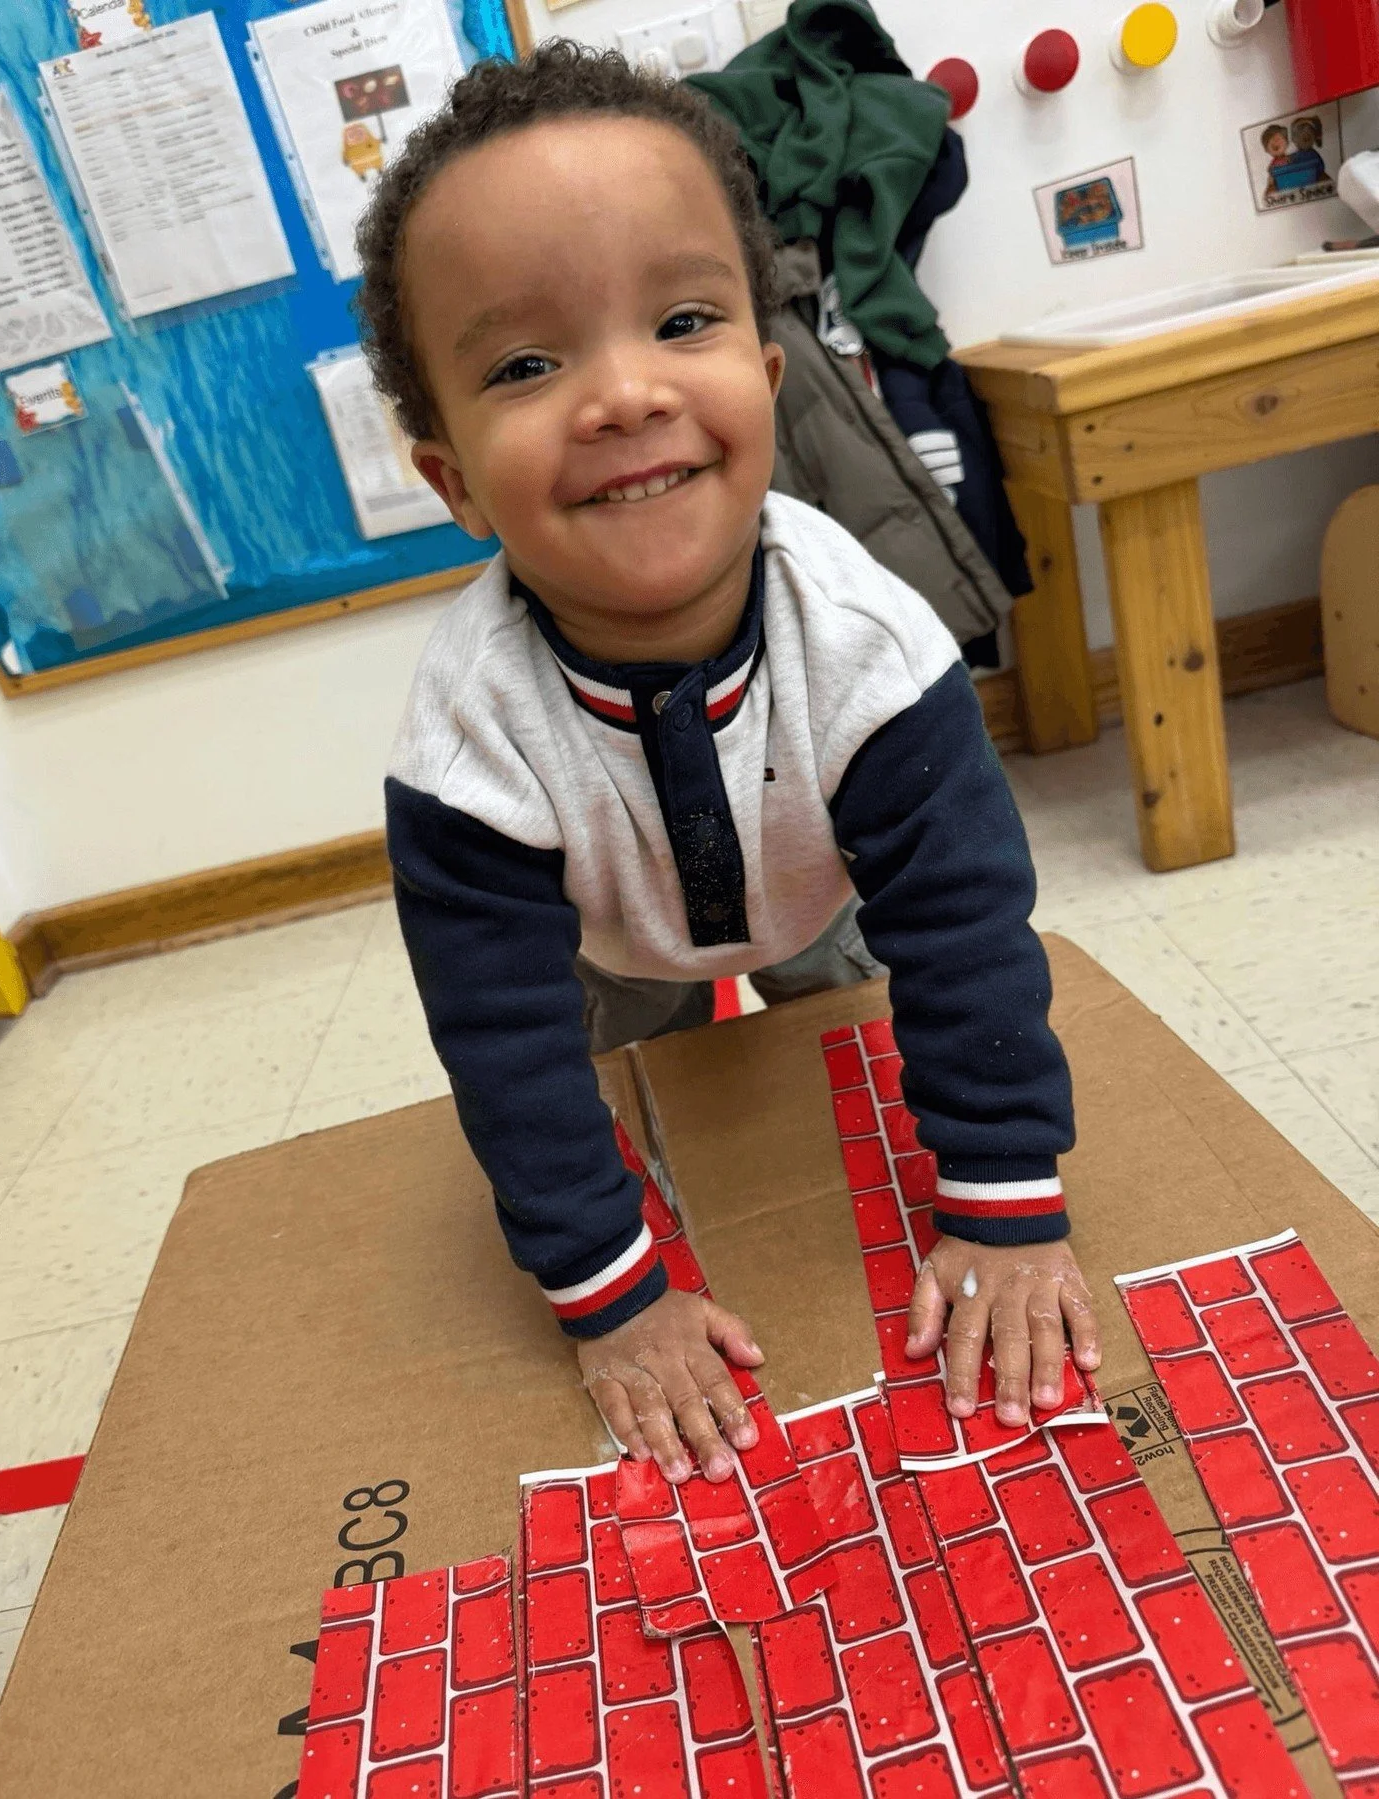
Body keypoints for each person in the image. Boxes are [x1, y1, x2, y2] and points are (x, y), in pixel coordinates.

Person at [358, 42, 1101, 1486]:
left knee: (835, 1048)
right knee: (652, 1078)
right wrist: (613, 1297)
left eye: (682, 318)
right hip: (604, 925)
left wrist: (1006, 1200)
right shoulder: (467, 743)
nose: (625, 394)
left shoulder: (868, 645)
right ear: (449, 477)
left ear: (768, 377)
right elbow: (505, 1045)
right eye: (525, 363)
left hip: (822, 888)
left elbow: (962, 930)